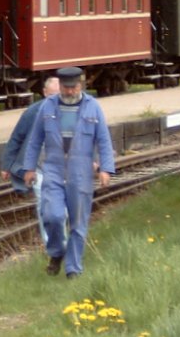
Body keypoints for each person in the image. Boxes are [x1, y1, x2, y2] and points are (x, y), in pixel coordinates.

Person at [22, 66, 115, 279]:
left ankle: (73, 269)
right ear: (61, 86)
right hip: (53, 168)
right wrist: (28, 168)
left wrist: (105, 168)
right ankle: (56, 253)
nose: (70, 91)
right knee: (52, 215)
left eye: (74, 87)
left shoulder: (93, 107)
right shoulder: (47, 107)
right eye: (66, 87)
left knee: (78, 223)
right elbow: (35, 140)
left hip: (80, 171)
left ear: (80, 86)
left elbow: (103, 140)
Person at [0, 76, 60, 242]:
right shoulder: (33, 112)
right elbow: (17, 138)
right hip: (39, 169)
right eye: (52, 95)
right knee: (45, 203)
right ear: (45, 93)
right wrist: (7, 165)